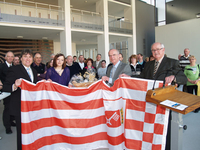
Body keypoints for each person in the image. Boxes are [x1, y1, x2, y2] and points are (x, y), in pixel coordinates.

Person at [140, 42, 187, 150]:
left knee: (165, 131)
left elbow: (183, 78)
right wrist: (128, 77)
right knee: (151, 128)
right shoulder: (149, 64)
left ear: (163, 50)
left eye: (158, 49)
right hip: (150, 103)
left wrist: (173, 78)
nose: (155, 52)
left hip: (164, 104)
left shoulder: (172, 62)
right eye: (153, 50)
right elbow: (141, 78)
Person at [3, 49, 38, 150]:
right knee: (21, 132)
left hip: (32, 107)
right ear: (21, 58)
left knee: (32, 131)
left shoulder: (34, 71)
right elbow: (6, 86)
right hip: (20, 107)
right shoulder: (14, 69)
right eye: (25, 56)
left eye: (30, 57)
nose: (28, 59)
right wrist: (14, 85)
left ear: (32, 59)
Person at [0, 51, 15, 134]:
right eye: (8, 56)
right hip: (5, 90)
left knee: (13, 107)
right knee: (7, 108)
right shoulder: (1, 66)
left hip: (14, 90)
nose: (10, 58)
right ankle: (7, 127)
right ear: (5, 57)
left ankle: (11, 121)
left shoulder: (15, 67)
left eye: (11, 56)